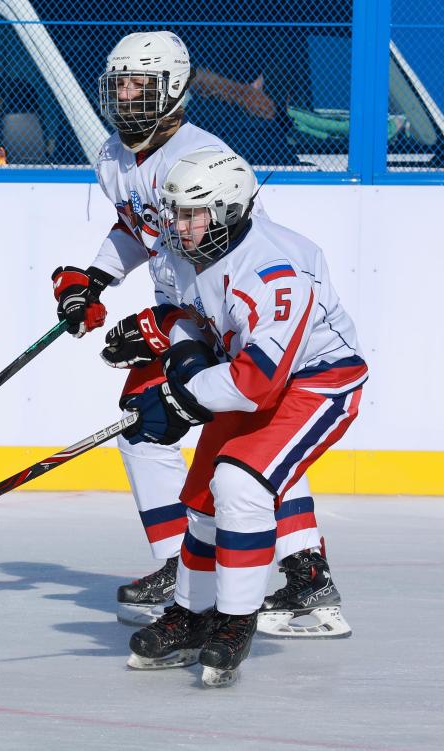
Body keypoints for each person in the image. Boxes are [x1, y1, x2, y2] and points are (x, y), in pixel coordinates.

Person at [51, 30, 348, 638]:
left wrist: (168, 328)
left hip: (232, 319)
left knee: (239, 430)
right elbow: (138, 227)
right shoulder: (112, 154)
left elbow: (228, 255)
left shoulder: (202, 158)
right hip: (189, 315)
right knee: (157, 427)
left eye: (141, 85)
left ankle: (290, 571)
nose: (126, 97)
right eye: (120, 84)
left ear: (175, 90)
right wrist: (95, 278)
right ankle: (215, 566)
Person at [123, 148, 366, 686]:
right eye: (174, 213)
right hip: (253, 378)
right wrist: (166, 347)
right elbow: (195, 320)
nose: (176, 226)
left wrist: (181, 397)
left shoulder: (274, 269)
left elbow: (258, 380)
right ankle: (190, 615)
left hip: (319, 382)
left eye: (190, 214)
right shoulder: (195, 249)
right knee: (204, 503)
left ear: (229, 210)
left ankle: (234, 622)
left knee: (239, 484)